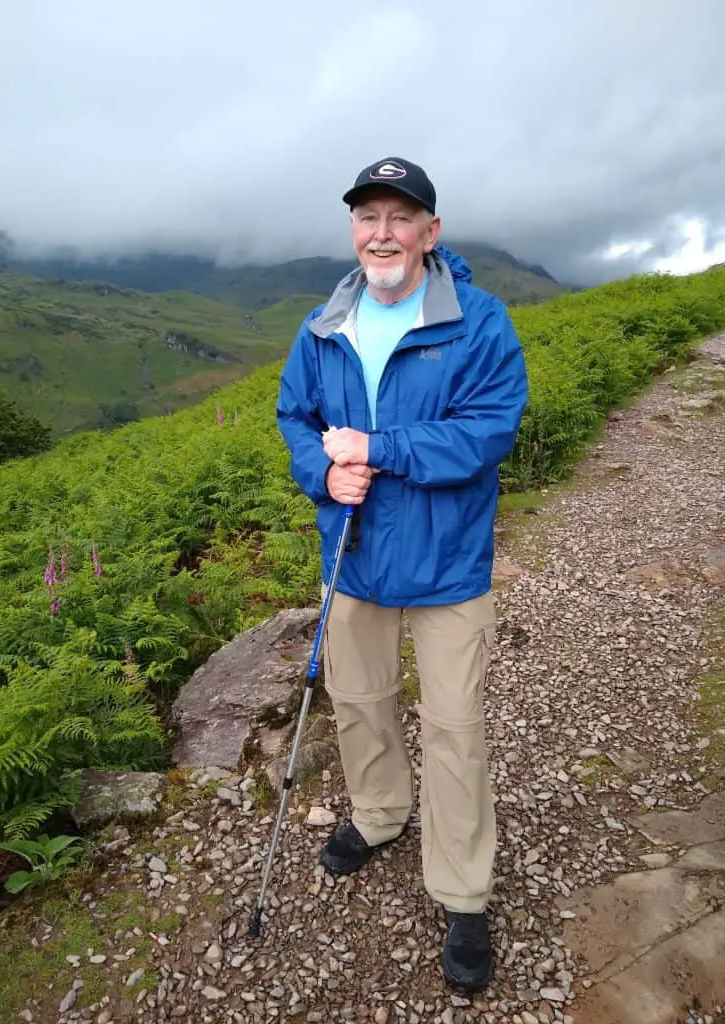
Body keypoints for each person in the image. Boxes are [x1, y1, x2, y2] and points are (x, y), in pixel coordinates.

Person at [276, 157, 528, 992]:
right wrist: (322, 473)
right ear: (354, 231)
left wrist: (379, 452)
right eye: (367, 217)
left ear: (431, 232)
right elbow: (297, 419)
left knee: (455, 729)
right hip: (354, 558)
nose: (381, 232)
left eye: (399, 216)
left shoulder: (480, 322)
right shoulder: (324, 325)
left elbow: (486, 433)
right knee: (359, 702)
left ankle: (462, 890)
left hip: (448, 564)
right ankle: (380, 814)